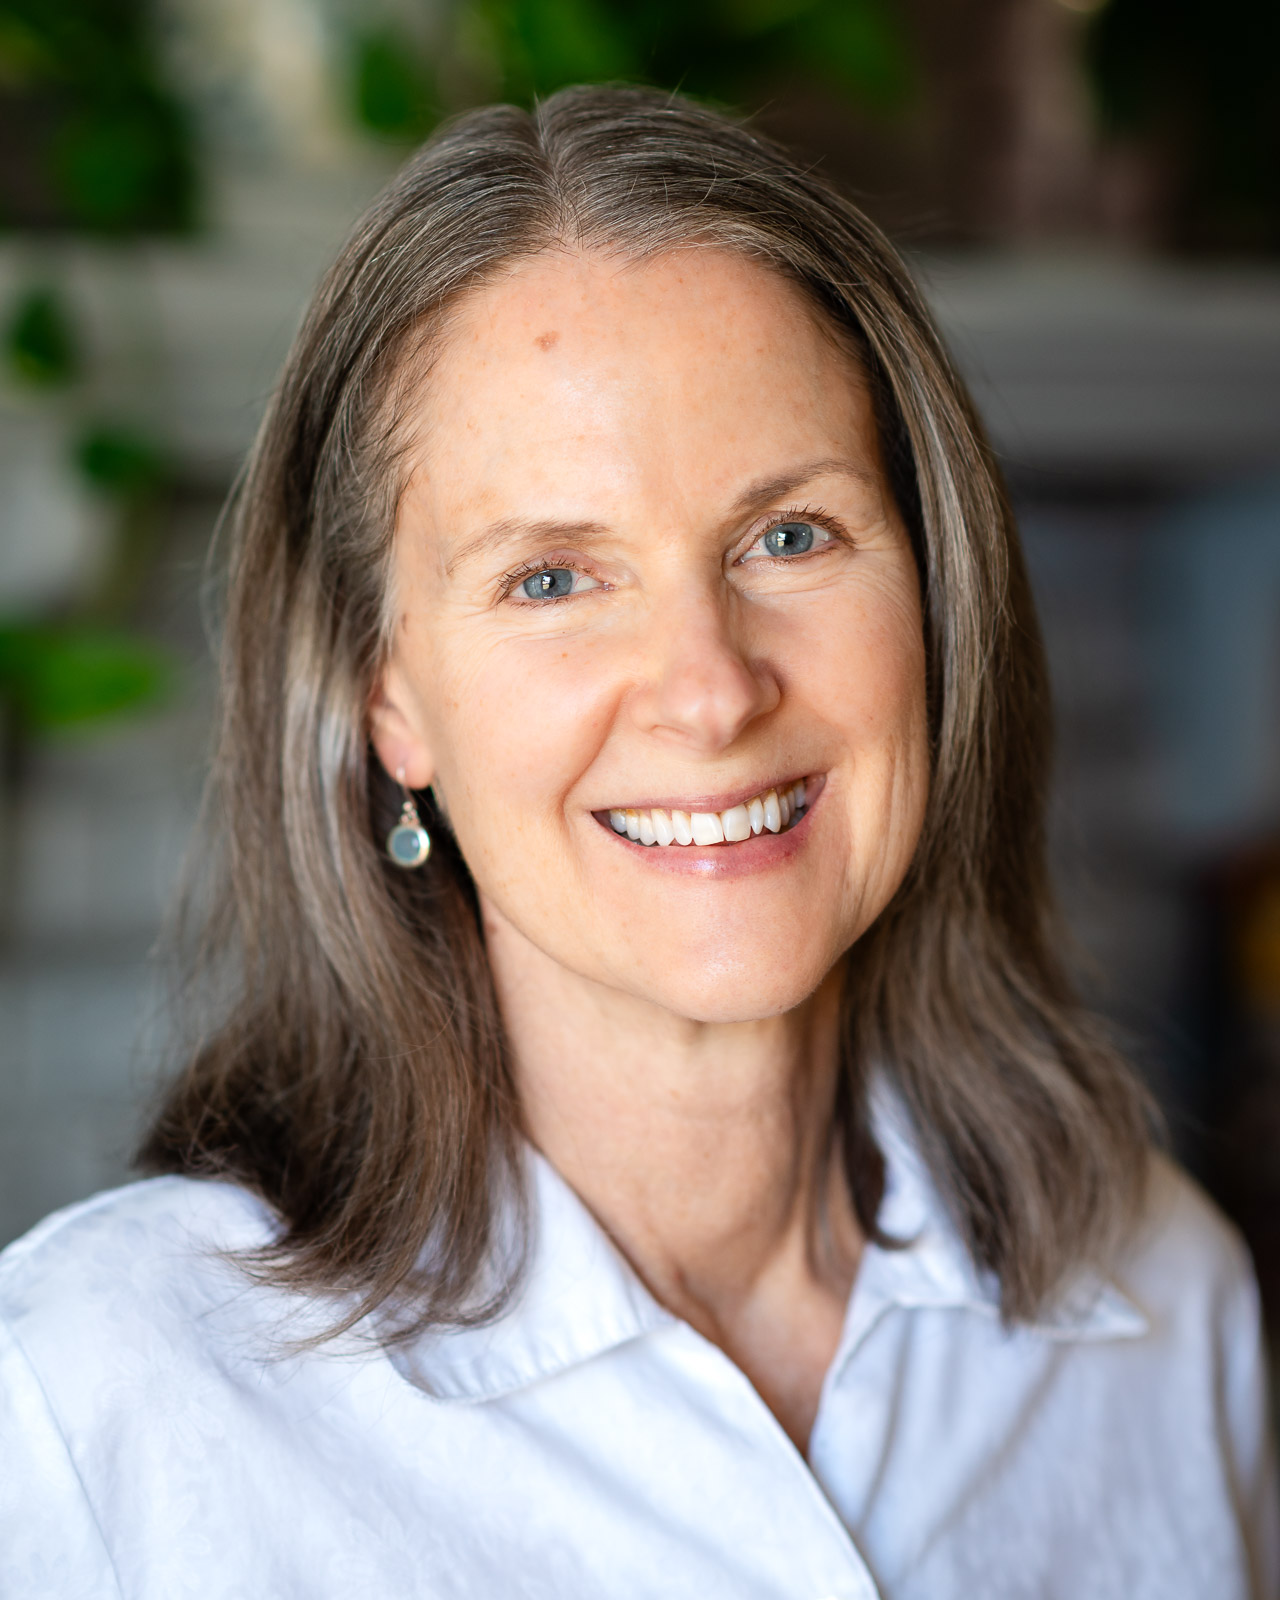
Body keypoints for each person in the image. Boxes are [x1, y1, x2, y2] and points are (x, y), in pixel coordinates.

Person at [1, 86, 1275, 1600]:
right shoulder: (94, 1405)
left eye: (789, 537)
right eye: (553, 578)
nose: (711, 690)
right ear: (386, 701)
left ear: (935, 597)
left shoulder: (1163, 1299)